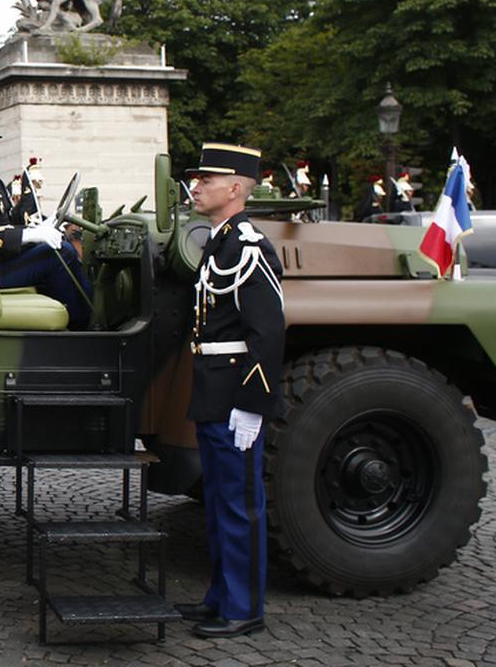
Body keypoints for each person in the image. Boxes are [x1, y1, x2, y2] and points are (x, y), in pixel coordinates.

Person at [175, 143, 284, 639]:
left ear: (236, 188)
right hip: (214, 390)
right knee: (219, 502)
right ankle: (220, 597)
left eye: (207, 180)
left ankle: (244, 607)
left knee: (240, 504)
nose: (196, 186)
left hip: (237, 392)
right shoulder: (220, 242)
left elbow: (267, 333)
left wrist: (252, 405)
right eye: (196, 179)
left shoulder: (249, 246)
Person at [0, 117, 93, 328]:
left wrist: (40, 227)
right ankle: (85, 325)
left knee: (57, 249)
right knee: (61, 254)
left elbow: (6, 222)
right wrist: (29, 235)